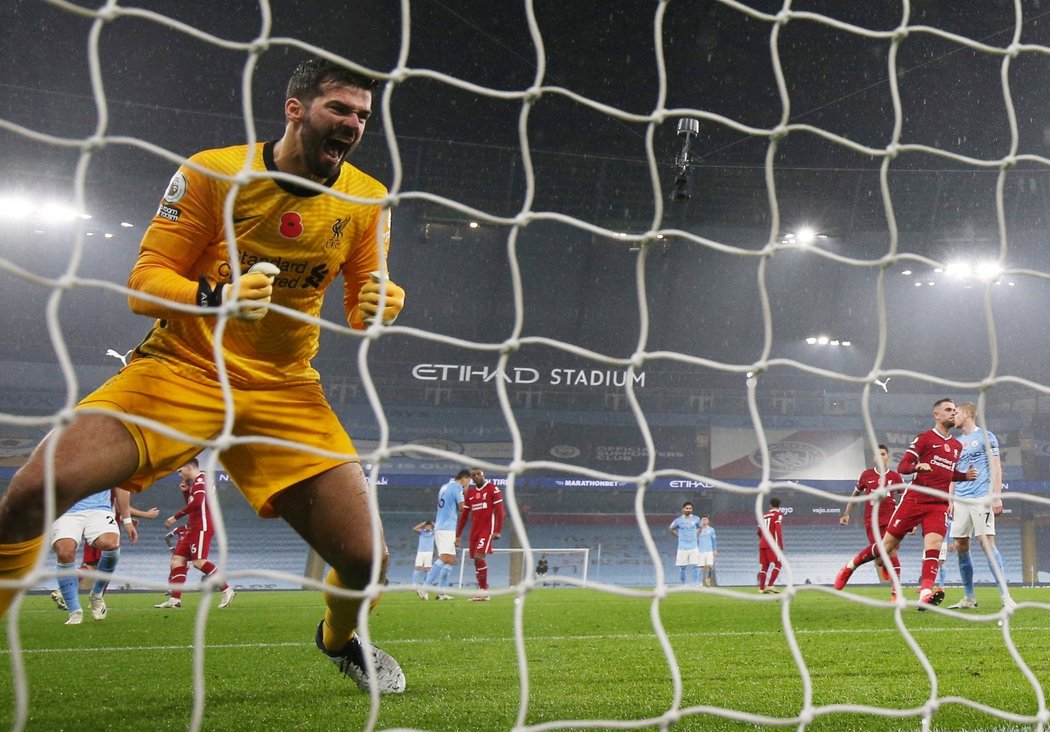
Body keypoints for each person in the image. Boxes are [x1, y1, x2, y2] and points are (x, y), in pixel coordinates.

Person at [0, 58, 407, 694]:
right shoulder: (214, 171)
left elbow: (361, 302)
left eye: (362, 114)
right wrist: (215, 296)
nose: (353, 124)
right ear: (295, 109)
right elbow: (144, 280)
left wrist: (382, 304)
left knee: (367, 561)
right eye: (340, 110)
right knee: (30, 495)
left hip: (283, 388)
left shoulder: (367, 197)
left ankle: (338, 637)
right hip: (182, 369)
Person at [834, 398, 977, 608]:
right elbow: (903, 466)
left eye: (955, 410)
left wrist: (965, 476)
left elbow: (947, 473)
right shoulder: (925, 438)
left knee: (934, 547)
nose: (953, 413)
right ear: (937, 415)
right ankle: (850, 566)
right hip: (915, 500)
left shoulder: (956, 446)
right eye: (948, 410)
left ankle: (925, 593)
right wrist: (918, 467)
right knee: (886, 547)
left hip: (938, 504)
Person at [946, 402, 1011, 610]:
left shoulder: (986, 436)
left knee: (987, 545)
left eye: (956, 413)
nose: (953, 417)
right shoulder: (955, 443)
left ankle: (1006, 597)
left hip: (981, 498)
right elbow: (953, 475)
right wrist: (951, 500)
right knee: (960, 546)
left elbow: (996, 467)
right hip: (961, 501)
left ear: (966, 414)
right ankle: (969, 598)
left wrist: (997, 497)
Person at [50, 494, 159, 610]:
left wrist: (127, 518)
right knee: (94, 566)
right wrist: (145, 515)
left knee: (96, 566)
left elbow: (117, 505)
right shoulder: (107, 485)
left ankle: (93, 598)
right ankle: (71, 592)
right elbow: (117, 504)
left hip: (103, 523)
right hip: (101, 527)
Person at [154, 459, 236, 609]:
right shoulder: (196, 484)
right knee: (177, 560)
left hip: (202, 527)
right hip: (193, 527)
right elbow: (195, 505)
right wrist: (186, 493)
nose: (179, 474)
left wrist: (174, 517)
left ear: (189, 467)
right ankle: (175, 600)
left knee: (199, 562)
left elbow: (198, 503)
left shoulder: (202, 480)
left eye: (180, 470)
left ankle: (227, 589)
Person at [839, 444, 905, 590]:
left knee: (891, 550)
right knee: (880, 559)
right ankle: (885, 566)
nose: (881, 457)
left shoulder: (895, 477)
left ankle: (896, 591)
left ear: (888, 456)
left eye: (883, 454)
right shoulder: (866, 475)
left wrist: (910, 522)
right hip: (872, 522)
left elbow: (906, 498)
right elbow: (855, 496)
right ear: (874, 458)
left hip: (890, 521)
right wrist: (846, 513)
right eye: (878, 455)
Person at [455, 468, 504, 601]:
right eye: (474, 475)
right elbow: (464, 516)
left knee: (478, 557)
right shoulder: (470, 493)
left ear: (483, 475)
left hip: (487, 529)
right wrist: (458, 535)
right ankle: (482, 589)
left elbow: (500, 512)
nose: (476, 476)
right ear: (471, 478)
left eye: (479, 474)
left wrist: (498, 530)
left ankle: (483, 591)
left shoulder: (492, 489)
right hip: (475, 531)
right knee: (476, 561)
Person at [421, 469, 469, 601]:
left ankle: (441, 593)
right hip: (446, 528)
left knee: (451, 560)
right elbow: (461, 507)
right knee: (445, 557)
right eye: (468, 482)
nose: (467, 485)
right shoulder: (457, 487)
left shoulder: (445, 486)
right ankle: (425, 587)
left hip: (443, 526)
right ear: (464, 479)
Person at [668, 501, 702, 585]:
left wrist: (696, 534)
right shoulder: (678, 520)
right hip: (682, 547)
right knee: (682, 567)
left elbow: (700, 527)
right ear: (683, 509)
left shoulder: (696, 518)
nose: (688, 510)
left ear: (692, 509)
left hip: (694, 546)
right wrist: (678, 535)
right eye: (687, 508)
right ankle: (682, 584)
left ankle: (695, 584)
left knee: (695, 566)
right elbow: (670, 528)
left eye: (690, 508)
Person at [757, 497, 784, 593]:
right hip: (772, 544)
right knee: (779, 563)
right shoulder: (777, 515)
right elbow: (778, 530)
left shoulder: (764, 516)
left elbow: (759, 531)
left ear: (770, 505)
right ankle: (771, 585)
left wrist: (763, 540)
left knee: (765, 566)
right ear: (779, 505)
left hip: (762, 544)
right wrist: (780, 544)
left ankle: (761, 588)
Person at [411, 520, 435, 600]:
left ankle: (426, 586)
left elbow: (438, 529)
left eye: (429, 526)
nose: (428, 527)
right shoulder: (422, 531)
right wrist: (424, 523)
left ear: (431, 526)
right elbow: (414, 528)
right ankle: (414, 584)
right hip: (420, 552)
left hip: (429, 552)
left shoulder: (433, 532)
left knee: (427, 569)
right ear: (425, 526)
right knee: (417, 567)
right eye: (426, 526)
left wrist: (432, 523)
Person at [697, 516, 718, 587]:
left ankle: (708, 579)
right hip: (700, 551)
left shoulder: (711, 530)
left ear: (708, 521)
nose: (704, 521)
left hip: (709, 550)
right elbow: (695, 540)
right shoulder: (698, 530)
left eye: (706, 520)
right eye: (703, 520)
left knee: (710, 566)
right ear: (701, 521)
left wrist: (714, 550)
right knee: (701, 567)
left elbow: (714, 540)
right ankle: (699, 583)